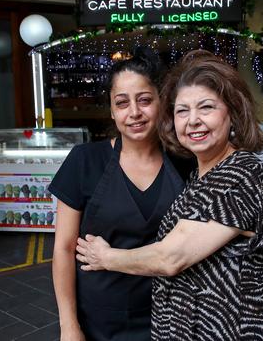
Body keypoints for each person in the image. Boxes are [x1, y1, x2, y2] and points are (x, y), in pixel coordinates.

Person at [76, 50, 263, 340]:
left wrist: (106, 257)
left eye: (206, 108)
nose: (193, 121)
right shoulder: (196, 175)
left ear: (232, 112)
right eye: (182, 111)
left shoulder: (244, 173)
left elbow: (171, 258)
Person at [49, 47, 186, 341]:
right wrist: (69, 326)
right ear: (112, 110)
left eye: (145, 100)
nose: (134, 112)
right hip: (100, 318)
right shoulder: (84, 160)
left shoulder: (185, 161)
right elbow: (63, 249)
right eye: (122, 103)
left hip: (173, 314)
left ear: (161, 103)